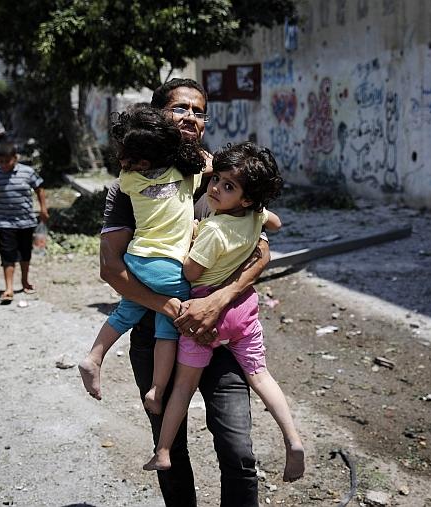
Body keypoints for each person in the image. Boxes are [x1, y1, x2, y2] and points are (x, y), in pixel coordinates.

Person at [96, 78, 267, 506]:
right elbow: (111, 269)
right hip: (159, 336)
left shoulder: (225, 177)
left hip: (220, 334)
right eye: (180, 109)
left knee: (238, 450)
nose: (190, 118)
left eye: (198, 111)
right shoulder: (127, 186)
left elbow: (262, 253)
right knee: (170, 449)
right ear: (157, 115)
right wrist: (170, 306)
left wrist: (217, 301)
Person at [142, 142, 305, 483]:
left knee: (184, 386)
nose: (214, 188)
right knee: (260, 376)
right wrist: (257, 218)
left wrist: (190, 238)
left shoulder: (214, 230)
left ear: (245, 198)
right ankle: (293, 440)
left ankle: (163, 450)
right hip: (243, 310)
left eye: (228, 186)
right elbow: (275, 223)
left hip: (205, 313)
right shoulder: (255, 214)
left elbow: (190, 273)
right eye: (216, 179)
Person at [79, 104, 205, 415]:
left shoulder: (128, 181)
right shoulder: (186, 176)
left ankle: (93, 357)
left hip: (136, 258)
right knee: (168, 328)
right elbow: (208, 165)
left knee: (126, 312)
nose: (122, 160)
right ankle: (157, 390)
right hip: (169, 266)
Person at [0, 141, 48, 303]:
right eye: (0, 161)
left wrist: (43, 209)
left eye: (6, 161)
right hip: (5, 222)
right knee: (7, 254)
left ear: (15, 158)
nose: (3, 165)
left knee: (25, 253)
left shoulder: (27, 172)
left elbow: (40, 189)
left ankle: (24, 281)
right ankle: (8, 287)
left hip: (26, 221)